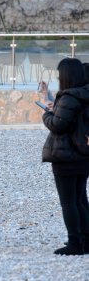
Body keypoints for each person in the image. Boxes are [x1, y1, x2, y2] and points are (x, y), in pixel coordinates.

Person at [41, 58, 89, 255]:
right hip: (83, 154)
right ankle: (86, 240)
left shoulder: (69, 97)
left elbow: (58, 125)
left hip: (66, 155)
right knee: (80, 199)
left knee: (68, 202)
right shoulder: (84, 94)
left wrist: (47, 114)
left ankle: (75, 243)